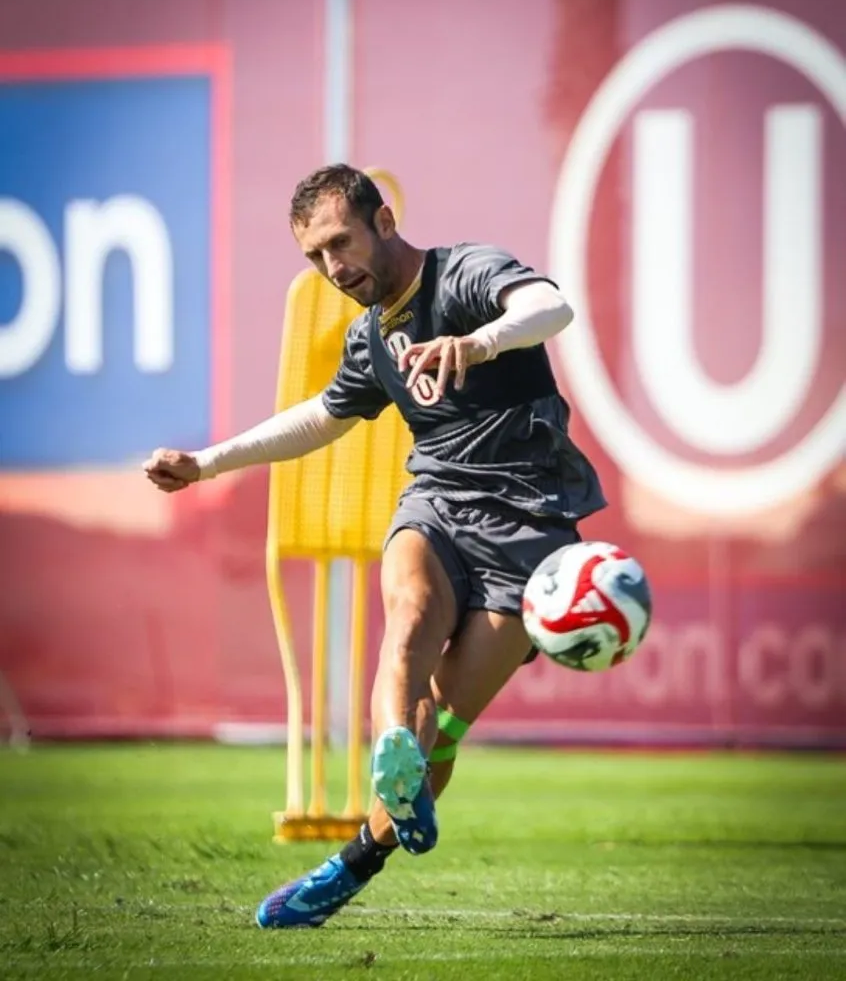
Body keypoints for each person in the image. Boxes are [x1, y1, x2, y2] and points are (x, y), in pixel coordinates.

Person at [143, 164, 606, 928]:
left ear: (384, 221)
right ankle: (395, 752)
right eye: (315, 256)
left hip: (530, 524)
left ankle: (357, 858)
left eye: (340, 243)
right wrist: (206, 463)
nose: (332, 267)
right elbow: (319, 418)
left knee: (444, 721)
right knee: (409, 621)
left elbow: (550, 307)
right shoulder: (371, 338)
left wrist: (480, 342)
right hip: (437, 503)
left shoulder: (464, 273)